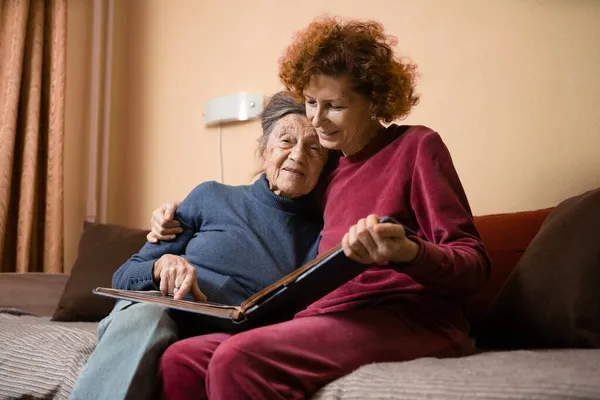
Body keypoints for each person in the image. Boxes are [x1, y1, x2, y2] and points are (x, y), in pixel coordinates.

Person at [152, 16, 491, 400]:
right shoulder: (329, 170)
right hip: (325, 317)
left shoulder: (416, 148)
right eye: (312, 102)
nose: (316, 119)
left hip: (409, 317)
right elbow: (272, 199)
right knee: (182, 358)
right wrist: (176, 216)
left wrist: (410, 252)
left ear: (375, 101)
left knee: (237, 358)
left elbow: (474, 264)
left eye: (335, 106)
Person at [69, 92, 330, 400]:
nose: (299, 155)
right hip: (159, 312)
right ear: (264, 150)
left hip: (228, 335)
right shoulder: (210, 196)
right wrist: (160, 265)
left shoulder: (322, 233)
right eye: (287, 141)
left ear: (324, 166)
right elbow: (123, 277)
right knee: (147, 316)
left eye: (314, 149)